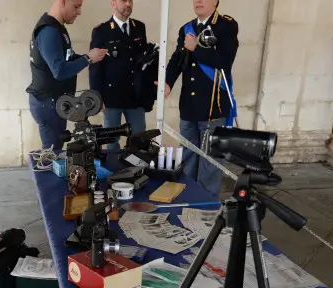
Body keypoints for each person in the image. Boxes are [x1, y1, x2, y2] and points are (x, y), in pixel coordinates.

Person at [164, 0, 238, 196]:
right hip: (189, 107)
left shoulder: (226, 26)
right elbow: (177, 60)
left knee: (210, 163)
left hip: (212, 108)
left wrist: (196, 47)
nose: (198, 1)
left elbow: (224, 61)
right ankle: (189, 198)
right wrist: (167, 82)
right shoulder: (187, 28)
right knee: (187, 157)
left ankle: (206, 206)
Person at [27, 0, 107, 150]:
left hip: (53, 102)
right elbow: (59, 71)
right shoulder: (49, 31)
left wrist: (88, 56)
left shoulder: (57, 28)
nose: (79, 12)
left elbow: (67, 58)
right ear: (62, 2)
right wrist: (87, 59)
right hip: (48, 103)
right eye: (76, 6)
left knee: (55, 148)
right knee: (52, 152)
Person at [89, 0, 148, 150]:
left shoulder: (139, 27)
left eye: (130, 1)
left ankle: (136, 172)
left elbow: (143, 63)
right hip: (111, 97)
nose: (128, 4)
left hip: (135, 96)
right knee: (111, 143)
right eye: (123, 1)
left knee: (139, 142)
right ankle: (114, 172)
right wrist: (97, 95)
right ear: (113, 3)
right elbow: (95, 66)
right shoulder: (101, 31)